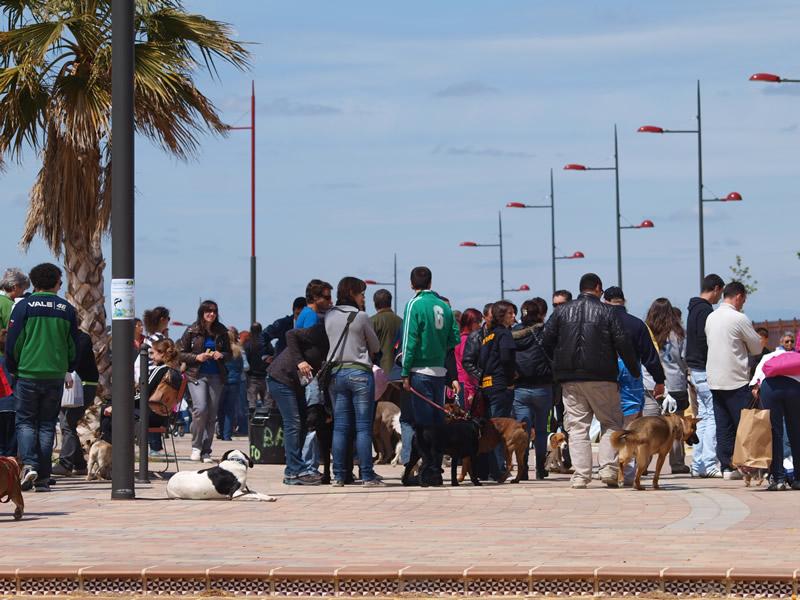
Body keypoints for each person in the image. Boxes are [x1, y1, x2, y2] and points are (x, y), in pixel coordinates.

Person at [541, 273, 639, 489]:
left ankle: (580, 476)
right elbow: (623, 342)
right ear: (598, 288)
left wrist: (558, 363)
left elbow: (545, 340)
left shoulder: (562, 312)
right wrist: (634, 370)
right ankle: (608, 470)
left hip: (570, 378)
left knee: (577, 427)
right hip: (602, 376)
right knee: (611, 423)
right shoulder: (608, 312)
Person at [4, 263, 78, 492]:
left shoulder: (24, 306)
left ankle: (30, 465)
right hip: (55, 374)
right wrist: (68, 368)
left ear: (34, 283)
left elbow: (14, 341)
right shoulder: (67, 309)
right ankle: (43, 478)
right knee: (47, 425)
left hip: (27, 372)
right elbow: (73, 345)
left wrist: (13, 366)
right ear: (57, 283)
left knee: (25, 422)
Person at [401, 266, 459, 487]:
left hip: (420, 371)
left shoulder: (414, 304)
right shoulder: (444, 306)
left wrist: (405, 371)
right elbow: (454, 337)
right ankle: (436, 469)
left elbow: (410, 340)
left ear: (411, 284)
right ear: (431, 282)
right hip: (439, 372)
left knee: (423, 426)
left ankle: (428, 471)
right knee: (437, 423)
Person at [324, 277, 382, 486]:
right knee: (363, 427)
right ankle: (367, 474)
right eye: (361, 293)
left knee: (340, 427)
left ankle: (339, 475)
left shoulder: (329, 315)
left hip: (337, 374)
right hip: (359, 373)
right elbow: (375, 346)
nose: (363, 297)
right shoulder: (361, 316)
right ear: (352, 293)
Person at [705, 281, 762, 480]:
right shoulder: (739, 318)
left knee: (723, 426)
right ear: (738, 296)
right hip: (735, 379)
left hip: (714, 379)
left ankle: (727, 466)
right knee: (744, 425)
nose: (743, 303)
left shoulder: (711, 317)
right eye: (743, 299)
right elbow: (756, 348)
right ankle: (747, 466)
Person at [267, 323, 328, 485]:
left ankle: (295, 469)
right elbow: (290, 334)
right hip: (281, 378)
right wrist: (300, 361)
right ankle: (294, 471)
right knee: (293, 423)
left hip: (297, 384)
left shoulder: (336, 338)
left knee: (302, 423)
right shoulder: (322, 329)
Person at [178, 300, 232, 462]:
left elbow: (229, 353)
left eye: (214, 311)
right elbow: (180, 352)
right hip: (196, 374)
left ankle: (206, 450)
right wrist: (197, 357)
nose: (212, 314)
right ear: (202, 313)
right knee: (200, 409)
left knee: (212, 413)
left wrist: (221, 355)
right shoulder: (191, 330)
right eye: (208, 311)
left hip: (217, 375)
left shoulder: (222, 331)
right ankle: (196, 446)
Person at [685, 273, 725, 478]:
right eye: (720, 293)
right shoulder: (705, 311)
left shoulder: (693, 309)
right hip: (703, 368)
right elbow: (706, 340)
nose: (720, 298)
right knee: (712, 416)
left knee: (703, 417)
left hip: (693, 368)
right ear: (716, 288)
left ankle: (698, 464)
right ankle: (708, 464)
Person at [602, 286, 666, 414]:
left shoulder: (600, 323)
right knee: (630, 420)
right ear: (624, 301)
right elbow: (650, 356)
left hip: (604, 375)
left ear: (605, 302)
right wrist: (659, 381)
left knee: (608, 419)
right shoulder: (637, 324)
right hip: (631, 375)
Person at [645, 297, 691, 474]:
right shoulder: (679, 334)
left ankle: (644, 462)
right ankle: (677, 464)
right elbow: (685, 358)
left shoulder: (646, 332)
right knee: (676, 427)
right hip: (675, 384)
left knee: (650, 425)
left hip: (651, 385)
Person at [512, 298, 553, 480]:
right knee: (542, 430)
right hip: (543, 386)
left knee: (523, 430)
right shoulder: (545, 332)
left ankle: (522, 468)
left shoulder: (513, 333)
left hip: (520, 386)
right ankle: (540, 468)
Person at [751, 344, 800, 490]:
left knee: (774, 433)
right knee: (796, 432)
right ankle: (798, 479)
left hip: (770, 388)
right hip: (794, 389)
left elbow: (755, 386)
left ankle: (778, 480)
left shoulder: (767, 357)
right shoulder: (797, 358)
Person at [52, 330, 98, 477]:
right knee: (68, 424)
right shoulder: (63, 336)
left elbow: (75, 359)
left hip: (83, 384)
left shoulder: (81, 338)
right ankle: (79, 464)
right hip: (69, 384)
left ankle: (66, 464)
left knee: (67, 423)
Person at [0, 267, 30, 456]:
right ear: (15, 287)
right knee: (9, 408)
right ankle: (8, 456)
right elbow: (13, 336)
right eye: (22, 289)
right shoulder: (8, 305)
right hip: (4, 361)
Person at [218, 327, 247, 441]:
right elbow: (241, 367)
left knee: (220, 409)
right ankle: (227, 434)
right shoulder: (238, 350)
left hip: (222, 382)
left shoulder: (220, 351)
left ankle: (221, 431)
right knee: (230, 410)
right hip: (235, 382)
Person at [371, 289, 403, 377]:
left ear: (375, 304)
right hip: (399, 374)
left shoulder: (372, 321)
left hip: (379, 373)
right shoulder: (402, 322)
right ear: (390, 302)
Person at [455, 308, 482, 411]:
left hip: (463, 383)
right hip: (466, 384)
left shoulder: (460, 338)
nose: (479, 325)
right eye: (477, 322)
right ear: (469, 322)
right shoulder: (467, 339)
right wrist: (471, 391)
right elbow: (466, 365)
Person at [243, 322, 272, 416]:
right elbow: (272, 355)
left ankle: (252, 424)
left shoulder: (248, 344)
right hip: (265, 375)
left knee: (252, 403)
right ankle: (267, 424)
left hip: (252, 377)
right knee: (267, 403)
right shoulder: (267, 343)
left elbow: (245, 361)